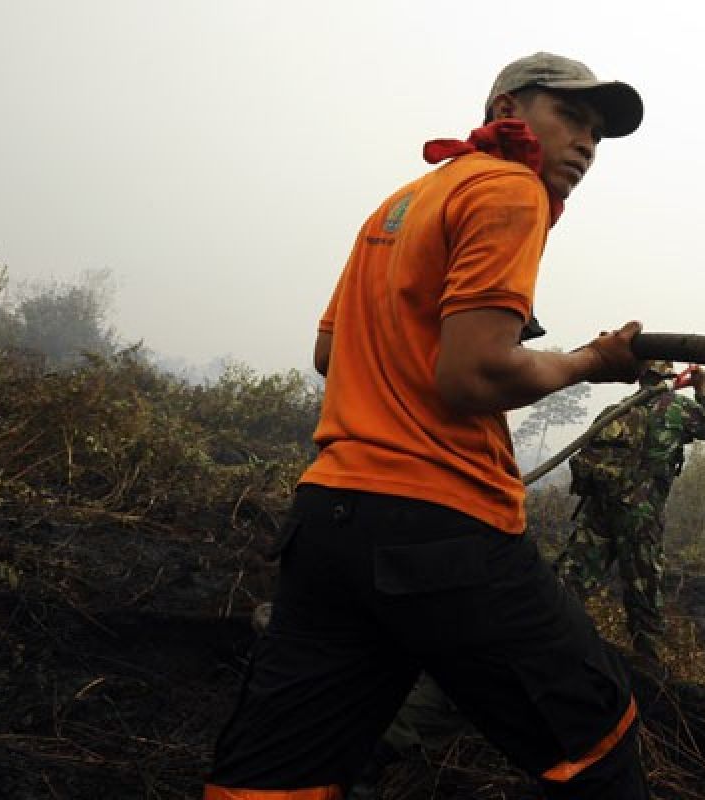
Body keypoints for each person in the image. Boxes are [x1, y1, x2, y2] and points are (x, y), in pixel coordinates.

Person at [205, 52, 650, 800]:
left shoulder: (403, 201)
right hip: (441, 528)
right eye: (572, 117)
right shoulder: (511, 188)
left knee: (279, 775)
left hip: (330, 523)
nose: (585, 146)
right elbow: (474, 376)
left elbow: (328, 352)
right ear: (509, 110)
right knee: (598, 736)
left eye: (598, 136)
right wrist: (588, 363)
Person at [557, 361, 705, 662]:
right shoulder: (678, 410)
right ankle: (650, 669)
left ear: (641, 376)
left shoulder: (617, 409)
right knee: (643, 591)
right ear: (669, 376)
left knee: (573, 578)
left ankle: (546, 641)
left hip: (599, 509)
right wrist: (701, 388)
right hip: (640, 517)